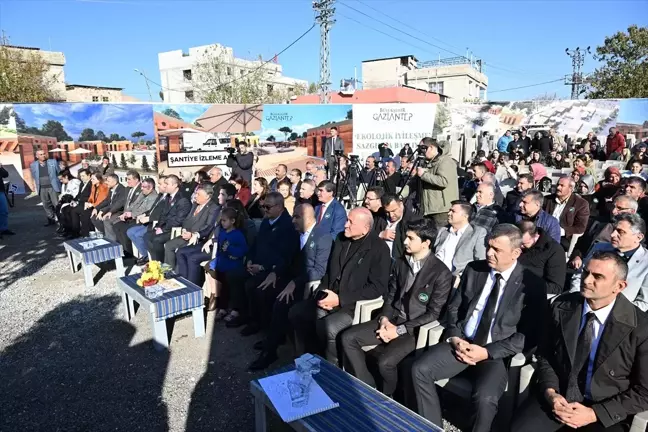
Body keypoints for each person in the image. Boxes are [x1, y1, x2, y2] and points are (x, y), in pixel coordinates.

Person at [411, 224, 545, 432]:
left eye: (497, 250)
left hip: (494, 353)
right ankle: (431, 427)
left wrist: (486, 352)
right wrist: (454, 337)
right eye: (488, 246)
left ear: (516, 253)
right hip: (462, 342)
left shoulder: (532, 284)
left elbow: (528, 336)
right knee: (420, 370)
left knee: (486, 398)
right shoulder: (475, 270)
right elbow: (454, 308)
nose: (489, 253)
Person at [512, 252, 648, 432]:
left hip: (604, 408)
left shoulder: (640, 326)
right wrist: (551, 392)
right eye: (585, 272)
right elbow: (545, 354)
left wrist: (595, 413)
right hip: (560, 396)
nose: (586, 280)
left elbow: (644, 391)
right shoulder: (561, 307)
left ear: (619, 286)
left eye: (597, 276)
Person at [342, 218, 453, 396]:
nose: (404, 241)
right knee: (348, 338)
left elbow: (433, 314)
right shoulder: (402, 263)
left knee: (385, 363)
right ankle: (366, 386)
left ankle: (387, 397)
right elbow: (391, 295)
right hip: (393, 319)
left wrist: (399, 330)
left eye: (410, 238)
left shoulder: (441, 273)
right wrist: (385, 319)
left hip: (414, 329)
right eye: (406, 237)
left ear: (426, 243)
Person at [289, 207, 390, 365]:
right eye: (346, 220)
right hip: (330, 294)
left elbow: (377, 287)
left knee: (329, 325)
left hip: (352, 304)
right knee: (297, 312)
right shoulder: (341, 240)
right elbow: (329, 272)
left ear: (365, 228)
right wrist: (322, 293)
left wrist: (341, 299)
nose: (345, 225)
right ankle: (304, 360)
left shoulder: (379, 249)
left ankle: (331, 368)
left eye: (351, 222)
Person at [249, 204, 333, 371]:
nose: (293, 220)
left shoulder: (323, 237)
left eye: (296, 217)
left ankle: (270, 352)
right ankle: (273, 337)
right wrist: (274, 272)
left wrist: (295, 283)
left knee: (281, 302)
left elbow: (319, 270)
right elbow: (285, 259)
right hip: (290, 277)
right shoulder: (296, 234)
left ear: (308, 218)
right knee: (262, 290)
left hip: (306, 284)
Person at [228, 192, 299, 334]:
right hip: (256, 263)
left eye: (268, 207)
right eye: (263, 206)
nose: (264, 210)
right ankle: (243, 312)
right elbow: (256, 244)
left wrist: (263, 267)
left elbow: (285, 254)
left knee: (252, 285)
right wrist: (249, 259)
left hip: (272, 268)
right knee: (234, 274)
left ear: (279, 207)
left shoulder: (288, 225)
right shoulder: (267, 221)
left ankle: (258, 322)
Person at [570, 213, 648, 311]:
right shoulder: (599, 247)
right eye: (614, 229)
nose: (612, 234)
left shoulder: (645, 262)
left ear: (638, 238)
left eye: (620, 232)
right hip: (582, 306)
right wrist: (577, 301)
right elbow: (579, 276)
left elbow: (644, 302)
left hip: (620, 317)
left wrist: (610, 312)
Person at [569, 195, 638, 269]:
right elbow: (581, 243)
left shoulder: (634, 232)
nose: (613, 211)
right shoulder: (597, 222)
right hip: (582, 264)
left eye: (619, 208)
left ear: (632, 211)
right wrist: (577, 256)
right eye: (613, 206)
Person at [204, 206, 248, 314]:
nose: (222, 223)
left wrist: (230, 249)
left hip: (233, 265)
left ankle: (234, 309)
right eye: (221, 220)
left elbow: (243, 251)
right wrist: (216, 261)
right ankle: (222, 307)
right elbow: (219, 249)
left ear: (232, 221)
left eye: (224, 220)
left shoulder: (238, 235)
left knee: (232, 288)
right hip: (222, 264)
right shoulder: (222, 233)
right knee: (223, 288)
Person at [162, 184, 218, 268]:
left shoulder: (213, 207)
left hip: (198, 238)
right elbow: (187, 219)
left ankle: (178, 274)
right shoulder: (195, 205)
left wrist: (193, 234)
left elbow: (208, 226)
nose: (195, 196)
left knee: (181, 252)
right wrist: (184, 229)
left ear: (207, 196)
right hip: (187, 234)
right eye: (196, 193)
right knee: (168, 245)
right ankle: (168, 270)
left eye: (198, 194)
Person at [434, 200, 487, 283]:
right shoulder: (443, 230)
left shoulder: (477, 233)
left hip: (457, 279)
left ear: (465, 216)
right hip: (434, 275)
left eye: (453, 211)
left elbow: (481, 261)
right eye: (449, 210)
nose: (449, 213)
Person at [142, 175, 192, 263]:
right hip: (165, 227)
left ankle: (161, 263)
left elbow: (178, 220)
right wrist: (158, 226)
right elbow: (163, 214)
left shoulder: (182, 199)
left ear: (175, 185)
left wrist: (163, 229)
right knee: (147, 236)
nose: (165, 186)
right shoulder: (168, 197)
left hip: (175, 230)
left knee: (157, 240)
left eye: (167, 184)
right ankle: (155, 262)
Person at [413, 138, 459, 227]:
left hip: (442, 211)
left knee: (440, 238)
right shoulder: (428, 163)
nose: (421, 151)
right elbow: (414, 183)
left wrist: (424, 175)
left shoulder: (446, 161)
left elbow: (443, 181)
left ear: (431, 148)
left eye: (423, 148)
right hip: (429, 210)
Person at [127, 176, 169, 264]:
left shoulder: (167, 198)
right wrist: (144, 214)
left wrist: (148, 218)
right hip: (149, 221)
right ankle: (145, 254)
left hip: (155, 223)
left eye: (160, 184)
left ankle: (147, 256)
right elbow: (152, 210)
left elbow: (162, 214)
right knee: (130, 231)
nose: (158, 186)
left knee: (139, 234)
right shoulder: (161, 196)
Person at [517, 220, 566, 295]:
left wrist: (523, 285)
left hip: (528, 292)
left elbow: (556, 287)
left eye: (523, 244)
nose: (520, 247)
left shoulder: (553, 250)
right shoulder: (516, 244)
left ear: (536, 236)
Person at [543, 175, 590, 251]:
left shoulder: (581, 204)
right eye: (558, 185)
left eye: (562, 186)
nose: (558, 187)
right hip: (543, 233)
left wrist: (561, 231)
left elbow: (580, 227)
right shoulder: (547, 199)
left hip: (563, 238)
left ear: (570, 188)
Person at [112, 178, 159, 253]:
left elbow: (145, 210)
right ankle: (123, 249)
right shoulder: (143, 193)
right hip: (132, 216)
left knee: (126, 230)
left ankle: (129, 252)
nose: (141, 188)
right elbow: (134, 204)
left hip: (139, 219)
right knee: (116, 225)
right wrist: (126, 212)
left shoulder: (153, 197)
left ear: (150, 188)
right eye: (141, 186)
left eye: (144, 187)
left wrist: (132, 214)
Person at [100, 171, 142, 241]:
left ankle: (123, 247)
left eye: (129, 179)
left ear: (136, 180)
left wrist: (128, 214)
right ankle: (113, 243)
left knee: (118, 226)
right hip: (124, 214)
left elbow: (138, 205)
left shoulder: (141, 189)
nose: (127, 181)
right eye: (126, 179)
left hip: (133, 216)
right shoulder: (127, 189)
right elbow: (121, 201)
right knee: (109, 220)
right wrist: (111, 211)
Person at [374, 194, 413, 260]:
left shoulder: (411, 221)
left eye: (393, 211)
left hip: (398, 261)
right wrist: (380, 235)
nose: (391, 215)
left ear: (400, 204)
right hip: (378, 258)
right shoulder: (379, 216)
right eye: (387, 212)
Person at [70, 173, 109, 238]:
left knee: (86, 214)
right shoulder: (94, 186)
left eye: (93, 179)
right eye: (91, 179)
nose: (91, 180)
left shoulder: (103, 187)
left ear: (98, 180)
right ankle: (85, 234)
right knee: (83, 212)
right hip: (93, 205)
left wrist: (92, 205)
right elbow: (91, 197)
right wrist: (88, 203)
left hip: (100, 207)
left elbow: (102, 200)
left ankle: (88, 234)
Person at [29, 149, 61, 226]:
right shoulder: (33, 165)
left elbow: (59, 172)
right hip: (42, 188)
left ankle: (60, 220)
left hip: (53, 187)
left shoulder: (52, 162)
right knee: (46, 205)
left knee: (56, 204)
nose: (43, 155)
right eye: (41, 154)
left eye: (44, 154)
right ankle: (51, 220)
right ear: (37, 156)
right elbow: (34, 176)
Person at [56, 170, 82, 235]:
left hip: (75, 201)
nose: (60, 181)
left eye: (61, 179)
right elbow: (63, 194)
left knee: (66, 210)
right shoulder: (64, 185)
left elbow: (76, 194)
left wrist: (67, 198)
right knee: (58, 208)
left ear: (66, 176)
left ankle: (71, 230)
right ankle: (64, 227)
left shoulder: (75, 182)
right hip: (66, 201)